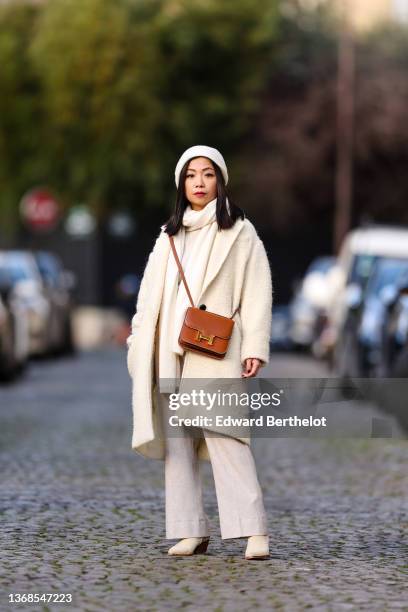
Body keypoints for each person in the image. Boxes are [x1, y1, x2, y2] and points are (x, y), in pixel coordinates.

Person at [126, 145, 273, 560]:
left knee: (227, 436)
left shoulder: (240, 231)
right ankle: (191, 530)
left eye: (207, 174)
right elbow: (148, 296)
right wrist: (139, 345)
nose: (199, 183)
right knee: (178, 444)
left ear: (220, 180)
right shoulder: (169, 234)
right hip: (169, 351)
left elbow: (258, 291)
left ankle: (253, 530)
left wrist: (255, 345)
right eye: (191, 176)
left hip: (217, 347)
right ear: (181, 184)